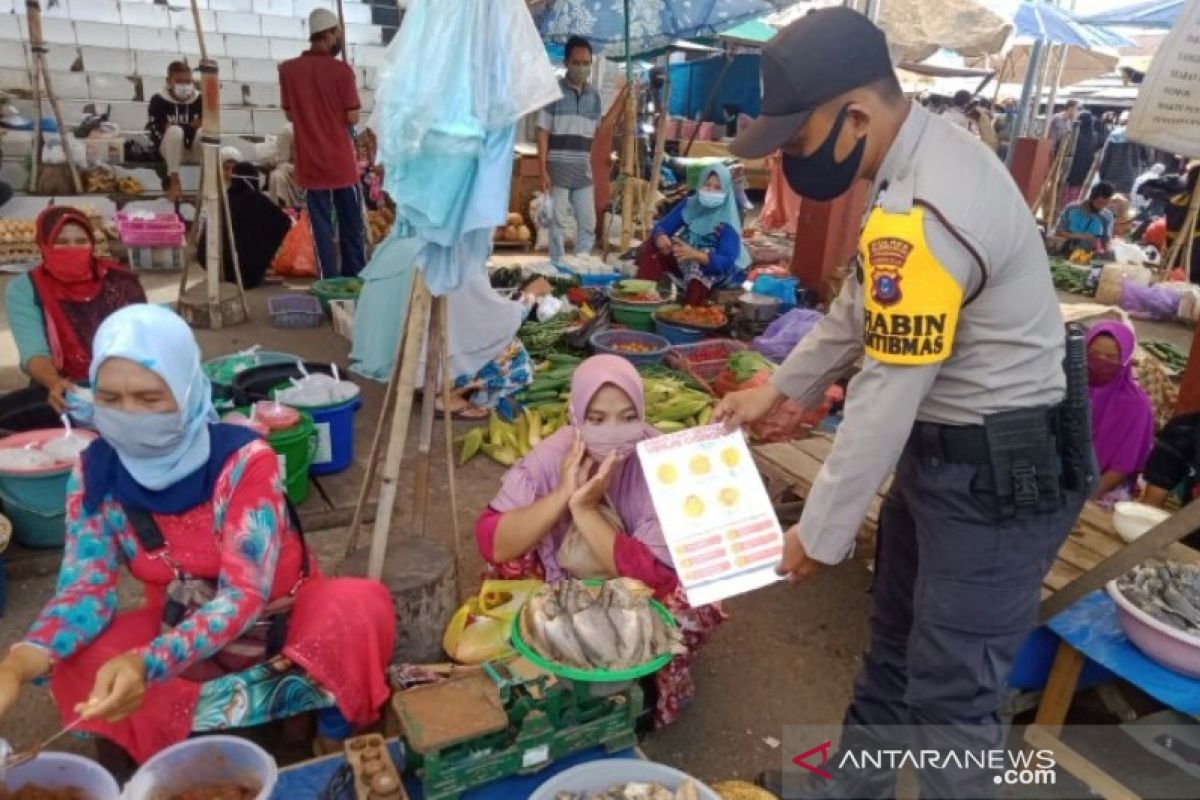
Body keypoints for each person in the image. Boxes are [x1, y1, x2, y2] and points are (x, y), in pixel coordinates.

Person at [719, 10, 1086, 799]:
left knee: (952, 704)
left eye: (795, 137)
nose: (789, 157)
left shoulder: (929, 203)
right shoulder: (908, 166)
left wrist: (819, 532)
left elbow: (887, 386)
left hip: (995, 474)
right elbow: (862, 307)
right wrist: (777, 389)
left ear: (855, 116)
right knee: (892, 652)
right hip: (948, 457)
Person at [0, 305, 395, 764]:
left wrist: (147, 663)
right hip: (177, 623)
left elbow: (245, 593)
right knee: (76, 662)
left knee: (357, 610)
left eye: (150, 399)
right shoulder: (93, 472)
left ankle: (331, 731)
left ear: (188, 391)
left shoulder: (246, 461)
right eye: (110, 398)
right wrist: (21, 661)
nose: (130, 415)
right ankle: (158, 746)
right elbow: (85, 589)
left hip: (279, 618)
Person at [475, 355, 724, 728]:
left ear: (642, 414)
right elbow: (492, 541)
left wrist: (586, 511)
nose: (613, 432)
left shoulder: (665, 463)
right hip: (565, 581)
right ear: (575, 417)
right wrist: (562, 495)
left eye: (628, 417)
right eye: (596, 419)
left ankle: (649, 682)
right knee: (512, 557)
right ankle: (555, 650)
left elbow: (656, 578)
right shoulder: (555, 454)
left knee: (696, 595)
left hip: (637, 594)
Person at [4, 206, 145, 413]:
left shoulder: (121, 280)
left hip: (125, 383)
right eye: (61, 242)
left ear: (92, 244)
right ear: (43, 245)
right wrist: (53, 382)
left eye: (81, 242)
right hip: (61, 389)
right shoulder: (24, 289)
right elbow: (34, 352)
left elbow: (144, 338)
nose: (72, 249)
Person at [279, 8, 366, 279]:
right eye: (337, 33)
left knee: (321, 230)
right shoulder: (342, 71)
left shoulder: (288, 70)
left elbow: (290, 114)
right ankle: (354, 279)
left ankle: (329, 282)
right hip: (341, 162)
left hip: (310, 162)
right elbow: (352, 114)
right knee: (352, 226)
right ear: (329, 34)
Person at [536, 36, 629, 261]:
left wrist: (624, 97)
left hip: (582, 170)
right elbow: (542, 131)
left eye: (586, 63)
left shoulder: (594, 96)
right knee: (557, 226)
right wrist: (542, 170)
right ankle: (557, 268)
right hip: (557, 170)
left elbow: (603, 127)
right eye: (577, 63)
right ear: (566, 63)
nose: (582, 68)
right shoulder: (553, 92)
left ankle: (580, 266)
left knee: (588, 224)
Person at [636, 164, 749, 304]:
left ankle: (689, 312)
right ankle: (642, 295)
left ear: (726, 192)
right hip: (687, 257)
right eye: (707, 185)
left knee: (698, 270)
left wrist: (696, 255)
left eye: (717, 188)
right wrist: (660, 235)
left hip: (717, 269)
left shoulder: (728, 220)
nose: (711, 191)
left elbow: (726, 262)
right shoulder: (691, 205)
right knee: (652, 244)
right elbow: (663, 226)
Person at [1085, 321, 1154, 508]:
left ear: (1125, 359)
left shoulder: (1136, 405)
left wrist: (1083, 499)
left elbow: (1122, 467)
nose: (1101, 361)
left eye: (1111, 357)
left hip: (1104, 486)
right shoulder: (1067, 385)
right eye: (1094, 354)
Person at [197, 161, 292, 290]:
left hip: (211, 265)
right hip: (245, 274)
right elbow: (285, 222)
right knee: (270, 225)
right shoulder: (257, 199)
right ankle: (259, 268)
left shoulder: (222, 198)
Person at [146, 61, 202, 202]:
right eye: (179, 81)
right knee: (175, 131)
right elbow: (156, 131)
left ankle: (207, 181)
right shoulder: (158, 100)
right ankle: (174, 181)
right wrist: (188, 127)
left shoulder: (200, 99)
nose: (184, 85)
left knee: (203, 131)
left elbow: (206, 125)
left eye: (188, 81)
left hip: (194, 150)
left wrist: (192, 127)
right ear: (169, 81)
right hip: (169, 150)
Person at [1097, 112, 1150, 196]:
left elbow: (1105, 158)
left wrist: (1102, 176)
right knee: (1123, 206)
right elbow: (1146, 158)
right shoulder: (1139, 136)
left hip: (1111, 178)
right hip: (1131, 178)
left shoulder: (1113, 135)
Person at [1056, 181, 1115, 255]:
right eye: (1099, 203)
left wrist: (1108, 251)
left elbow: (1106, 241)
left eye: (1105, 204)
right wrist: (1081, 236)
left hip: (1091, 256)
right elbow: (1059, 232)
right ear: (1091, 198)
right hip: (1068, 251)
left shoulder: (1107, 216)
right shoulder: (1071, 208)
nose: (1101, 207)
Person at [1060, 110, 1100, 208]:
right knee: (1077, 194)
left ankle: (1062, 211)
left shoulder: (1075, 135)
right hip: (1085, 171)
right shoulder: (1094, 136)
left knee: (1066, 193)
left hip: (1071, 169)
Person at [266, 124, 303, 209]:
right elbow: (281, 158)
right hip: (298, 169)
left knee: (277, 175)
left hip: (306, 170)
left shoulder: (288, 130)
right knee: (277, 176)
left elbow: (280, 159)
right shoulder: (290, 130)